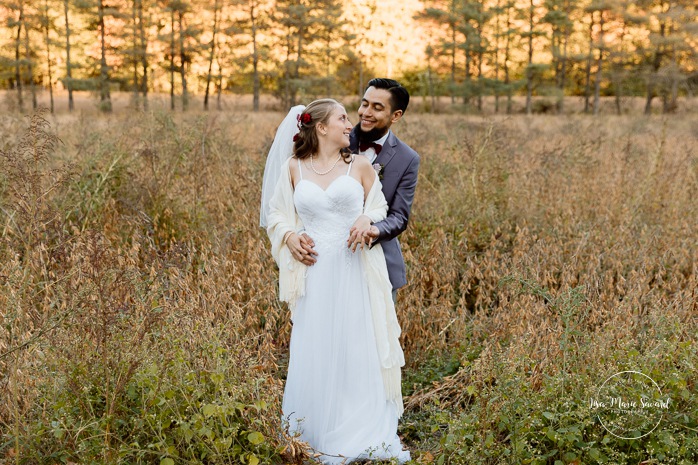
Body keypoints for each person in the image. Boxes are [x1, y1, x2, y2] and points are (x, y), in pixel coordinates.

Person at [260, 99, 410, 464]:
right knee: (317, 343)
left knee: (356, 342)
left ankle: (360, 426)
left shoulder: (358, 165)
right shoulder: (293, 167)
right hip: (315, 272)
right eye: (343, 118)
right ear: (322, 127)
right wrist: (291, 236)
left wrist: (366, 221)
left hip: (354, 268)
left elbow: (379, 208)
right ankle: (314, 426)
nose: (351, 123)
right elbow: (278, 214)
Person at [292, 79, 420, 300]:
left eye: (377, 108)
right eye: (364, 104)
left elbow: (399, 216)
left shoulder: (407, 159)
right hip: (319, 261)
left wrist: (372, 227)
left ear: (396, 116)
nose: (365, 113)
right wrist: (292, 234)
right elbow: (298, 194)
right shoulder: (331, 136)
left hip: (376, 262)